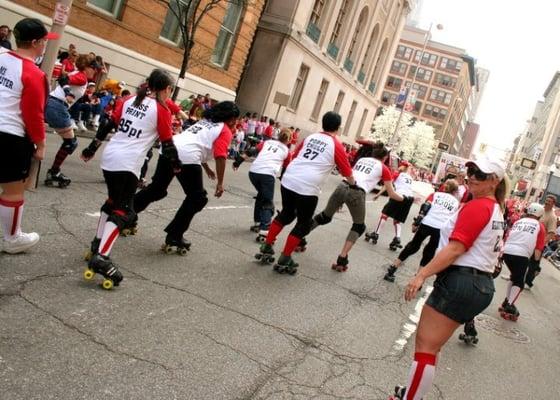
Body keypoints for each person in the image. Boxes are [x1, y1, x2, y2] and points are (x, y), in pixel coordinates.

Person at [389, 157, 507, 400]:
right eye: (471, 170)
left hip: (461, 281)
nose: (472, 175)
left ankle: (410, 397)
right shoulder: (495, 208)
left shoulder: (480, 206)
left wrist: (421, 274)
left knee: (425, 347)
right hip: (479, 285)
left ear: (494, 181)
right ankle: (413, 392)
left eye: (480, 174)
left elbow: (455, 249)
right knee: (432, 347)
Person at [84, 69, 178, 289]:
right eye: (170, 90)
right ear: (166, 89)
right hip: (127, 164)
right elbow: (167, 143)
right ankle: (101, 258)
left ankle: (97, 244)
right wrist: (176, 166)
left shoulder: (129, 100)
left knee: (112, 202)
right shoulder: (161, 109)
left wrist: (91, 147)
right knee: (125, 211)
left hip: (111, 157)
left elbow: (108, 124)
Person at [255, 111, 355, 274]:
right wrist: (354, 184)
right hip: (308, 187)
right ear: (338, 127)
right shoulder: (336, 145)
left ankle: (267, 245)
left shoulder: (310, 137)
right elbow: (347, 172)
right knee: (303, 224)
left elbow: (294, 155)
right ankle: (285, 257)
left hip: (289, 179)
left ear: (323, 123)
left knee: (287, 214)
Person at [132, 101, 239, 252]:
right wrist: (220, 183)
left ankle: (127, 213)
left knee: (157, 189)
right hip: (186, 157)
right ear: (231, 118)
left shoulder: (205, 122)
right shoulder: (225, 130)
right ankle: (174, 235)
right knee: (197, 198)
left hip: (170, 148)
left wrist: (207, 168)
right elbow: (220, 156)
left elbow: (195, 144)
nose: (235, 122)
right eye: (235, 118)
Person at [0, 18, 56, 253]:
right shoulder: (34, 73)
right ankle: (12, 238)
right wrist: (41, 144)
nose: (45, 45)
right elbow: (33, 114)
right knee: (13, 190)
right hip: (11, 135)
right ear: (35, 43)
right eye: (43, 41)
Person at [308, 140, 406, 272]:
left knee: (325, 216)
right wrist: (404, 199)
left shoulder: (363, 160)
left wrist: (341, 200)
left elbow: (352, 176)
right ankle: (342, 259)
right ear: (385, 157)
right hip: (356, 192)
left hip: (342, 186)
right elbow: (392, 194)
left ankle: (300, 235)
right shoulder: (384, 168)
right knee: (359, 226)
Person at [384, 179, 459, 282]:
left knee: (413, 245)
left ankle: (393, 267)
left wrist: (416, 223)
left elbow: (425, 208)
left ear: (445, 187)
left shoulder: (436, 195)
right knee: (429, 251)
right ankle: (418, 279)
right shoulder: (456, 203)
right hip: (440, 228)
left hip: (427, 223)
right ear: (455, 191)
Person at [44, 54, 98, 187]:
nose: (95, 71)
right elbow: (63, 79)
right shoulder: (81, 76)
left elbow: (66, 80)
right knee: (70, 143)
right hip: (57, 106)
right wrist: (68, 93)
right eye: (93, 68)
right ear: (86, 67)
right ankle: (54, 172)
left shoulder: (78, 74)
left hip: (51, 103)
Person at [233, 128, 292, 240]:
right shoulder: (286, 151)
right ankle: (264, 230)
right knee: (267, 202)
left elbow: (251, 151)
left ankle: (258, 222)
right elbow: (285, 170)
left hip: (253, 172)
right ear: (289, 140)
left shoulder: (267, 142)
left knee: (261, 196)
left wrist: (237, 162)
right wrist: (283, 179)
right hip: (267, 175)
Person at [498, 203, 545, 321]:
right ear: (540, 215)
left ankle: (507, 302)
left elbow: (508, 235)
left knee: (514, 277)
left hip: (507, 251)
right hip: (521, 254)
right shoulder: (540, 226)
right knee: (519, 282)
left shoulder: (519, 221)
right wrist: (536, 264)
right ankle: (509, 305)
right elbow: (538, 249)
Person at [365, 160, 415, 250]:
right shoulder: (410, 178)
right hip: (409, 199)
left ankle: (376, 233)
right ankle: (397, 238)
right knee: (397, 220)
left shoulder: (397, 174)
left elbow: (387, 185)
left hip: (399, 196)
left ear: (400, 166)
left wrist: (378, 194)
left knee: (385, 215)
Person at [525, 194, 557, 288]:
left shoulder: (552, 217)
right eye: (546, 200)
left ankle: (528, 282)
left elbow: (551, 233)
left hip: (539, 243)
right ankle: (514, 277)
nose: (547, 202)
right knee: (522, 258)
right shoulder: (540, 210)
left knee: (533, 263)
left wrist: (541, 243)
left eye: (549, 201)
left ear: (553, 204)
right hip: (530, 240)